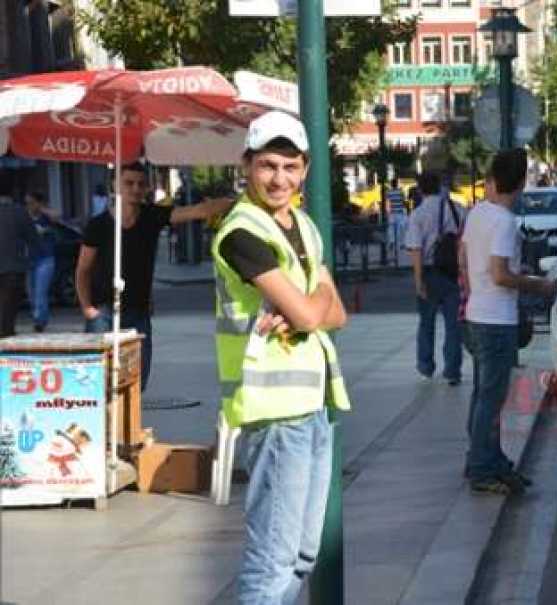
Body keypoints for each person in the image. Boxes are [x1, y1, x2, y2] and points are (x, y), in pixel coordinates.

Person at [211, 110, 350, 605]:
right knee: (272, 559)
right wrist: (313, 302)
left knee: (302, 554)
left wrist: (308, 307)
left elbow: (337, 315)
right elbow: (315, 312)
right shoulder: (242, 232)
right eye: (268, 165)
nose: (279, 179)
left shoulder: (303, 226)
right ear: (247, 165)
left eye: (290, 167)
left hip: (313, 404)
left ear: (305, 168)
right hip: (273, 411)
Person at [75, 162, 232, 391]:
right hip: (103, 312)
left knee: (136, 381)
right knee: (96, 380)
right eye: (129, 183)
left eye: (141, 184)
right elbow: (83, 269)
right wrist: (87, 308)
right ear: (115, 185)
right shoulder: (98, 225)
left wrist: (238, 201)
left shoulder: (152, 216)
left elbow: (197, 211)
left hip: (138, 313)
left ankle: (128, 416)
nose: (135, 189)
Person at [461, 149, 557, 494]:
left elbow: (464, 258)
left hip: (477, 314)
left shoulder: (478, 213)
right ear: (520, 183)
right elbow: (500, 275)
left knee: (482, 394)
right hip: (496, 321)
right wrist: (537, 284)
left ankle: (488, 459)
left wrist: (475, 291)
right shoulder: (503, 221)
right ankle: (482, 469)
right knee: (492, 398)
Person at [403, 171, 466, 385]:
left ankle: (426, 366)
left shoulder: (418, 215)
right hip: (453, 272)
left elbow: (416, 249)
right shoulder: (457, 209)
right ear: (439, 186)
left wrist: (418, 280)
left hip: (429, 272)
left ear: (420, 190)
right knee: (453, 324)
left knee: (427, 322)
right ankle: (452, 370)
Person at [0, 173, 40, 338]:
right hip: (13, 270)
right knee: (7, 319)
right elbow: (34, 240)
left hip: (11, 268)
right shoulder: (19, 212)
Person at [25, 191, 59, 333]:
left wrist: (42, 208)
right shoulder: (25, 218)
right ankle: (38, 318)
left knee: (40, 292)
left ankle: (40, 321)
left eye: (31, 203)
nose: (29, 206)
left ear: (38, 203)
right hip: (29, 260)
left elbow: (57, 216)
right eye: (27, 203)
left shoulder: (46, 217)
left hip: (45, 259)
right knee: (31, 294)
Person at [386, 178, 407, 255]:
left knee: (391, 228)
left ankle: (392, 242)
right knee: (401, 229)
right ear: (397, 184)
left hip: (392, 213)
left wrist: (388, 212)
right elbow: (404, 201)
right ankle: (402, 244)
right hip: (400, 212)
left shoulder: (388, 192)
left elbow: (388, 203)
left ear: (391, 184)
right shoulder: (401, 191)